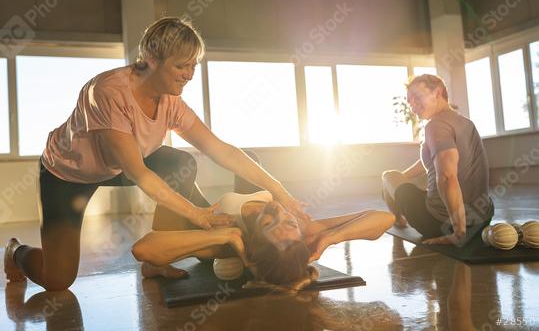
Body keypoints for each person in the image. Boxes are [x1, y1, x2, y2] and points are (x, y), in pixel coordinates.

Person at [3, 17, 309, 291]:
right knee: (58, 280)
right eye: (181, 66)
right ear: (151, 59)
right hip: (67, 174)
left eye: (193, 66)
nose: (189, 74)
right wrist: (198, 216)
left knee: (180, 163)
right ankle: (14, 251)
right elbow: (138, 173)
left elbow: (222, 151)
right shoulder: (108, 92)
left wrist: (280, 191)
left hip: (120, 163)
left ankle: (156, 262)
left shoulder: (170, 101)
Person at [131, 189, 395, 291]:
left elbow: (143, 249)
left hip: (208, 221)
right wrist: (330, 237)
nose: (279, 211)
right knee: (252, 162)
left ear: (254, 238)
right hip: (242, 194)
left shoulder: (228, 241)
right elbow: (384, 218)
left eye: (269, 224)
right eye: (289, 222)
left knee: (175, 195)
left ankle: (162, 267)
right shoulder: (303, 229)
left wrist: (224, 234)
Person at [381, 74, 494, 246]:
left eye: (417, 97)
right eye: (410, 102)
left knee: (387, 175)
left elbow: (447, 177)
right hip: (482, 220)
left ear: (438, 92)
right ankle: (399, 207)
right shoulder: (465, 122)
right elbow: (436, 159)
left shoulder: (435, 126)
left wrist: (458, 233)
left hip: (440, 224)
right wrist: (400, 179)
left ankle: (398, 219)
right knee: (394, 178)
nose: (413, 106)